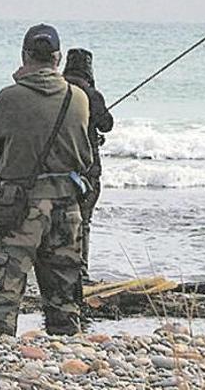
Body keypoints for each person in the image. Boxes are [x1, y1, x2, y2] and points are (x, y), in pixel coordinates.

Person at [0, 24, 93, 336]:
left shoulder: (9, 97)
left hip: (19, 208)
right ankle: (67, 356)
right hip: (67, 208)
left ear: (25, 55)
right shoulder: (78, 98)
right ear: (57, 58)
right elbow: (86, 159)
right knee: (65, 296)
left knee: (5, 292)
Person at [63, 48, 114, 283]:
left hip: (59, 168)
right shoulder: (92, 95)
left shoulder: (58, 91)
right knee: (83, 223)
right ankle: (80, 272)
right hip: (88, 171)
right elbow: (106, 124)